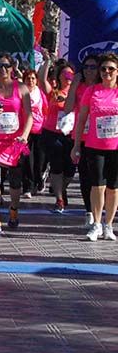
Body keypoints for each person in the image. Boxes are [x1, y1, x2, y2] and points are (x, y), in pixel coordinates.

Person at [72, 53, 118, 241]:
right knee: (97, 185)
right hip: (94, 145)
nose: (106, 72)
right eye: (103, 69)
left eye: (111, 69)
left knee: (113, 188)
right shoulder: (92, 91)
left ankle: (109, 225)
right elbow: (82, 119)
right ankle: (97, 224)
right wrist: (76, 145)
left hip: (115, 147)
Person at [0, 54, 33, 234]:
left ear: (12, 68)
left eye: (6, 66)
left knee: (15, 183)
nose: (2, 69)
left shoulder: (21, 88)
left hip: (15, 142)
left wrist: (25, 135)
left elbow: (29, 115)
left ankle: (13, 210)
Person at [67, 56, 101, 229]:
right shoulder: (79, 87)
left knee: (101, 179)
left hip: (102, 139)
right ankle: (89, 211)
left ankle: (102, 213)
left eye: (93, 67)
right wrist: (74, 84)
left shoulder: (104, 89)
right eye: (86, 67)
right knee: (85, 177)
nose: (89, 70)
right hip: (81, 137)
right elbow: (67, 108)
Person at [39, 59, 77, 213]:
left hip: (71, 135)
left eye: (71, 74)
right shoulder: (53, 92)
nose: (68, 76)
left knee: (70, 170)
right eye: (65, 73)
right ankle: (59, 199)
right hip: (52, 134)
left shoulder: (77, 92)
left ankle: (61, 188)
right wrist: (48, 61)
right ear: (59, 76)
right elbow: (41, 78)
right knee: (56, 167)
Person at [21, 67, 47, 197]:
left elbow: (46, 110)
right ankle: (27, 186)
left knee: (40, 161)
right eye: (28, 78)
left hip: (40, 131)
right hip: (26, 132)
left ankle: (39, 179)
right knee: (27, 159)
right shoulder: (21, 93)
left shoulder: (40, 93)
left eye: (33, 78)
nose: (30, 81)